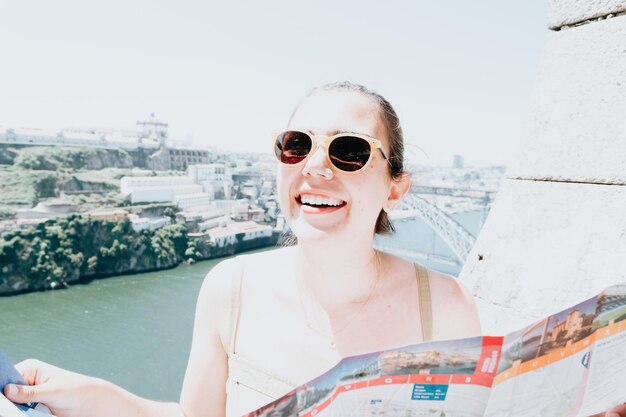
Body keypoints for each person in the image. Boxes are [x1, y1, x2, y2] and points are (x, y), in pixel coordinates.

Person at [3, 82, 623, 417]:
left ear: (394, 186)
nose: (317, 169)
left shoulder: (446, 305)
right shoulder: (230, 290)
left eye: (349, 151)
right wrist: (89, 398)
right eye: (297, 145)